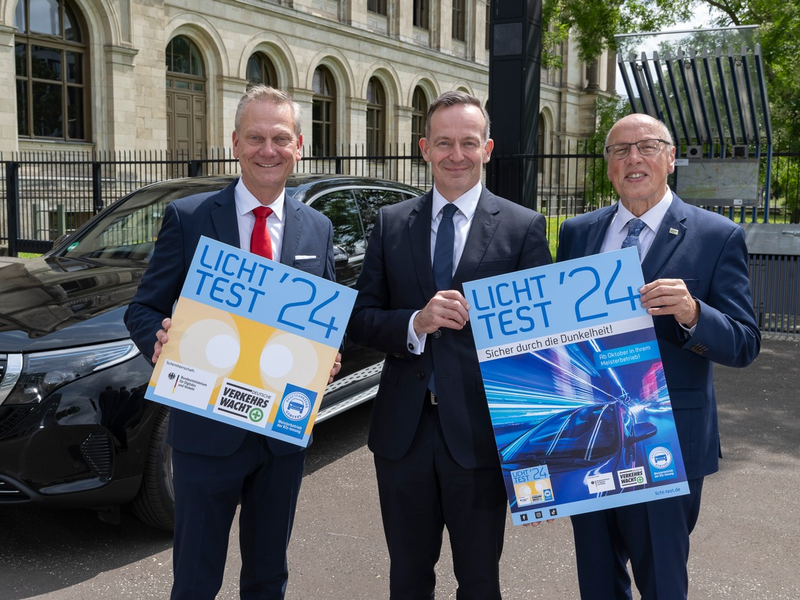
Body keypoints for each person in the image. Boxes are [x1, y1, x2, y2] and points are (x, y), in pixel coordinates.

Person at [124, 85, 339, 600]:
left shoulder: (318, 228)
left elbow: (330, 319)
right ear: (235, 143)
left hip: (281, 436)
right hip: (205, 433)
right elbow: (143, 309)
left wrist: (330, 355)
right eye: (256, 137)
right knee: (195, 581)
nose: (269, 149)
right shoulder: (190, 218)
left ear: (299, 145)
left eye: (280, 138)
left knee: (268, 578)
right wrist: (159, 341)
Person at [348, 90, 552, 599]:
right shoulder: (391, 223)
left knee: (480, 581)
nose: (456, 154)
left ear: (487, 149)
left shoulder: (523, 227)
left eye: (468, 142)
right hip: (403, 435)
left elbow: (544, 342)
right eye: (443, 143)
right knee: (407, 577)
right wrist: (415, 323)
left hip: (481, 436)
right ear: (424, 148)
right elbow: (360, 319)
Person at [558, 113, 761, 600]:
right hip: (590, 441)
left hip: (666, 442)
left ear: (670, 158)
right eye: (620, 150)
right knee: (597, 582)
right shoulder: (577, 233)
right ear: (608, 164)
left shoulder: (716, 235)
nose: (633, 158)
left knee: (663, 584)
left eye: (647, 147)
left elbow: (744, 342)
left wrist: (693, 313)